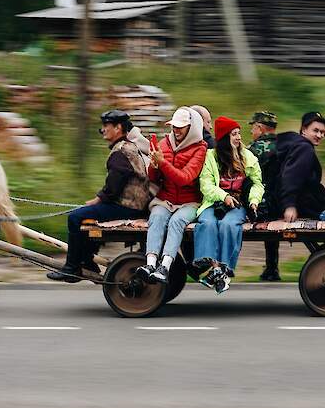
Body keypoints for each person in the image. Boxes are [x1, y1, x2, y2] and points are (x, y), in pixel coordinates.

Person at [47, 110, 150, 282]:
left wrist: (98, 199)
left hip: (128, 207)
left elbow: (113, 187)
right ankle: (87, 262)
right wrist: (99, 201)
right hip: (134, 205)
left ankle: (72, 268)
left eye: (105, 126)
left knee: (75, 217)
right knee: (88, 215)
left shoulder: (121, 151)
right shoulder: (129, 147)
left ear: (118, 128)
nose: (102, 130)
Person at [193, 116, 264, 293]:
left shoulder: (247, 157)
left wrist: (254, 201)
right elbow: (206, 185)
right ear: (225, 137)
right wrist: (223, 196)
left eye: (239, 133)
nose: (239, 137)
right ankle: (215, 268)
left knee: (229, 225)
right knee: (207, 223)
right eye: (234, 134)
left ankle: (223, 269)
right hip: (213, 202)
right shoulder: (211, 157)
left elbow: (257, 183)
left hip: (237, 203)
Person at [136, 107, 207, 284]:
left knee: (177, 222)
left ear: (191, 127)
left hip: (189, 202)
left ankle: (165, 267)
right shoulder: (163, 143)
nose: (176, 130)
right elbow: (153, 177)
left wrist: (163, 162)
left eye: (181, 126)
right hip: (165, 198)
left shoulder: (200, 149)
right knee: (157, 217)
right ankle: (150, 264)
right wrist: (153, 165)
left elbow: (185, 178)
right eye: (174, 126)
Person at [276, 111, 325, 223]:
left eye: (322, 132)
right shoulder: (304, 148)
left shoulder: (296, 145)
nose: (319, 135)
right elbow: (292, 176)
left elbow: (311, 182)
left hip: (292, 203)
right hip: (300, 207)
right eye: (315, 130)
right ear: (304, 129)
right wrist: (289, 205)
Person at [247, 111, 281, 281]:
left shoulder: (254, 149)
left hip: (261, 204)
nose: (251, 132)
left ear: (259, 127)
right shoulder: (284, 145)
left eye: (253, 127)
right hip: (281, 203)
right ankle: (272, 268)